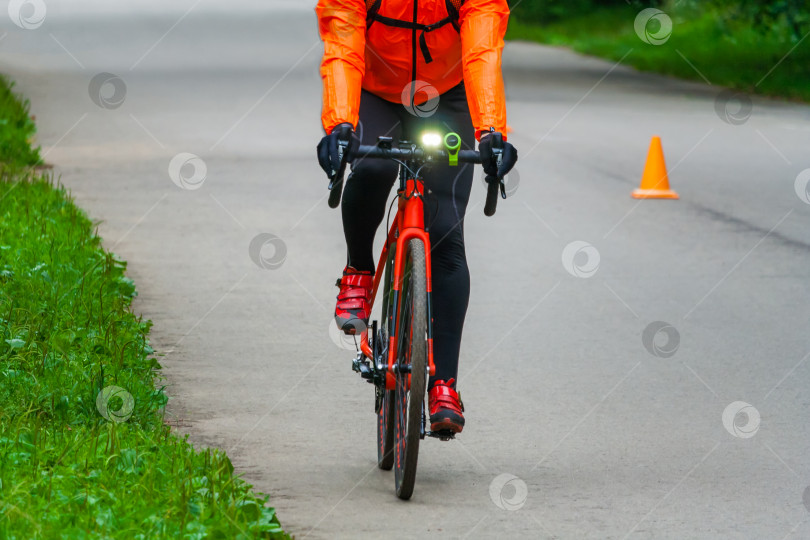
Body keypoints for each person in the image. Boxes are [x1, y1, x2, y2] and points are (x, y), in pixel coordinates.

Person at [315, 0, 517, 434]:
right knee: (372, 166)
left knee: (445, 232)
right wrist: (339, 124)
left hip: (448, 94)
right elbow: (343, 45)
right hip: (375, 90)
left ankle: (444, 384)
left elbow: (482, 50)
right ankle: (358, 271)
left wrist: (491, 132)